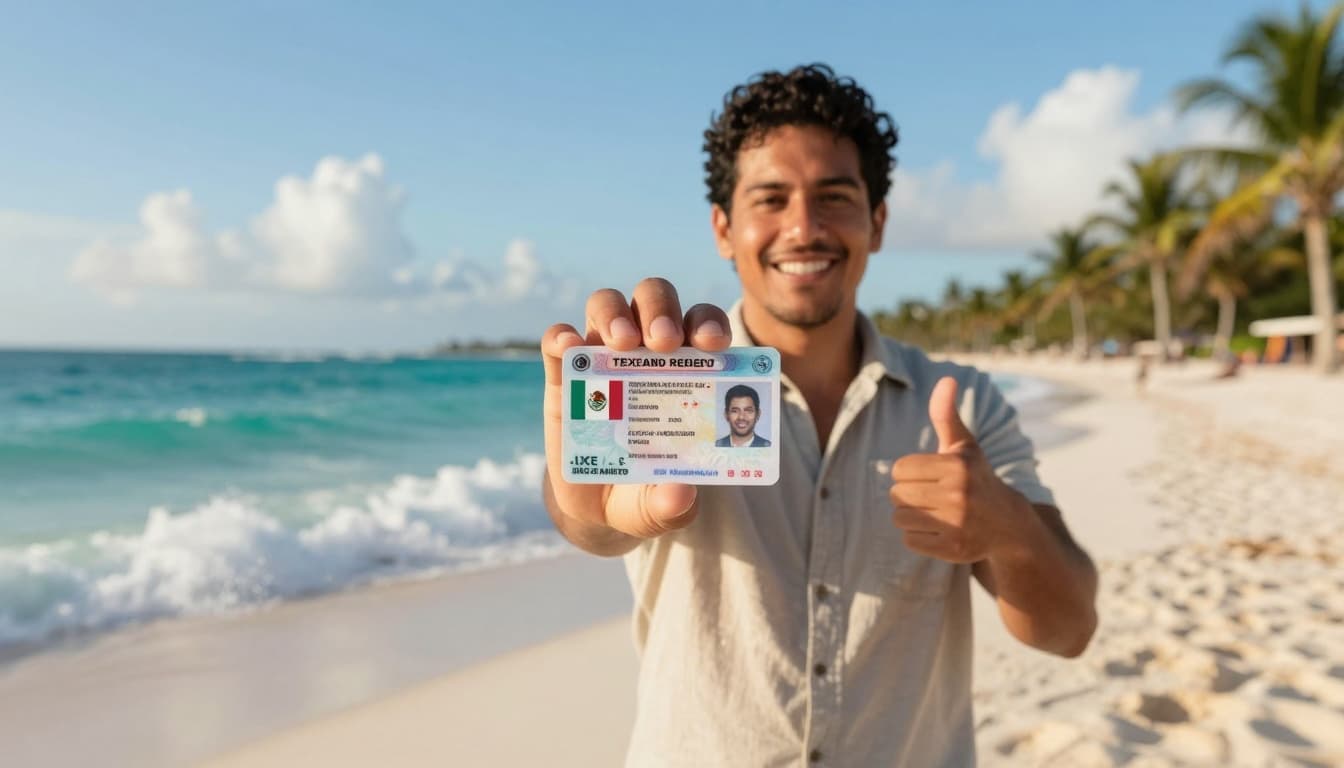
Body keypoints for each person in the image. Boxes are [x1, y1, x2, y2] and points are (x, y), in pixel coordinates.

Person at [540, 64, 1097, 766]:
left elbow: (1069, 628)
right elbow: (588, 516)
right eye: (770, 199)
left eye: (833, 197)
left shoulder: (962, 404)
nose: (803, 228)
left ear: (878, 221)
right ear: (723, 227)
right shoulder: (666, 384)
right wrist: (583, 502)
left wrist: (1006, 527)